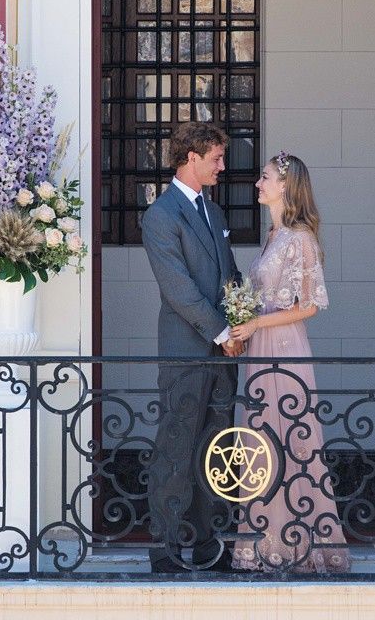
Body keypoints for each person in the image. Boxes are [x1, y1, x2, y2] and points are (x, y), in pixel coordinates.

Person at [230, 152, 350, 573]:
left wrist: (254, 321)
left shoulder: (299, 238)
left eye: (264, 177)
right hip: (261, 344)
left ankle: (298, 544)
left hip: (283, 346)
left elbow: (309, 305)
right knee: (261, 438)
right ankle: (266, 539)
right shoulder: (273, 236)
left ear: (285, 185)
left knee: (289, 440)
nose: (258, 183)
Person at [142, 122, 243, 573]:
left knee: (216, 446)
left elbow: (231, 275)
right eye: (216, 159)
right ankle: (164, 546)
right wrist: (222, 331)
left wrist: (243, 321)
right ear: (191, 159)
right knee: (177, 444)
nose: (222, 166)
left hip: (224, 351)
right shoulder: (161, 215)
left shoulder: (215, 213)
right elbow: (178, 290)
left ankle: (208, 543)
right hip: (186, 349)